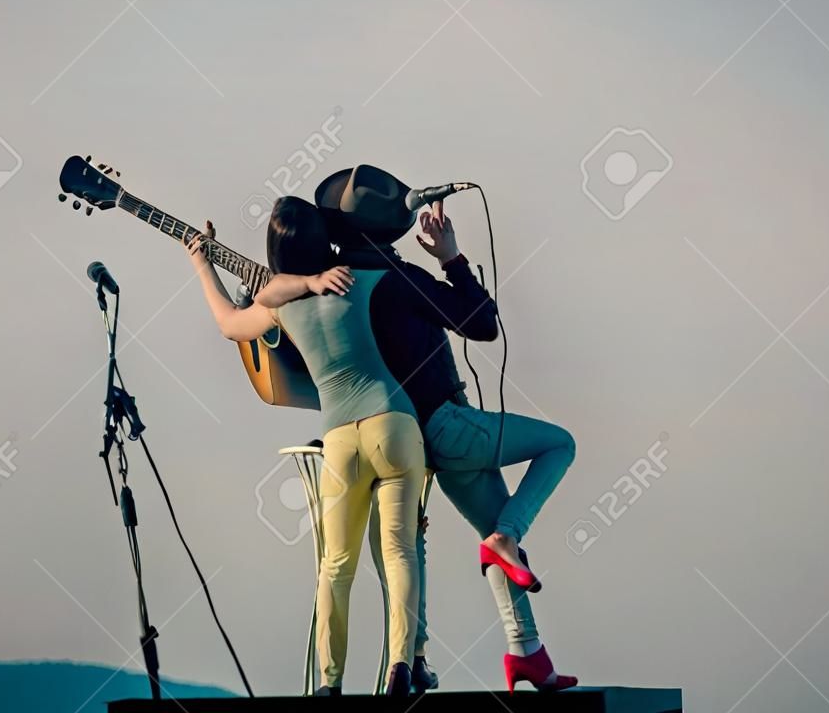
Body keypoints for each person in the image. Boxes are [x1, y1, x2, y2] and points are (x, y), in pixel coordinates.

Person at [263, 165, 578, 692]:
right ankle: (508, 539)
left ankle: (518, 653)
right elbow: (481, 323)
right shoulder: (397, 280)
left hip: (401, 437)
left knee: (408, 545)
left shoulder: (327, 289)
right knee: (556, 448)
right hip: (446, 424)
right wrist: (451, 257)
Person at [184, 198, 426, 696]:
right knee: (400, 553)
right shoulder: (359, 276)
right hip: (395, 422)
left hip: (341, 438)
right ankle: (403, 664)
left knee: (336, 566)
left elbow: (230, 323)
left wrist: (202, 265)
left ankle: (329, 684)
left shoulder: (278, 304)